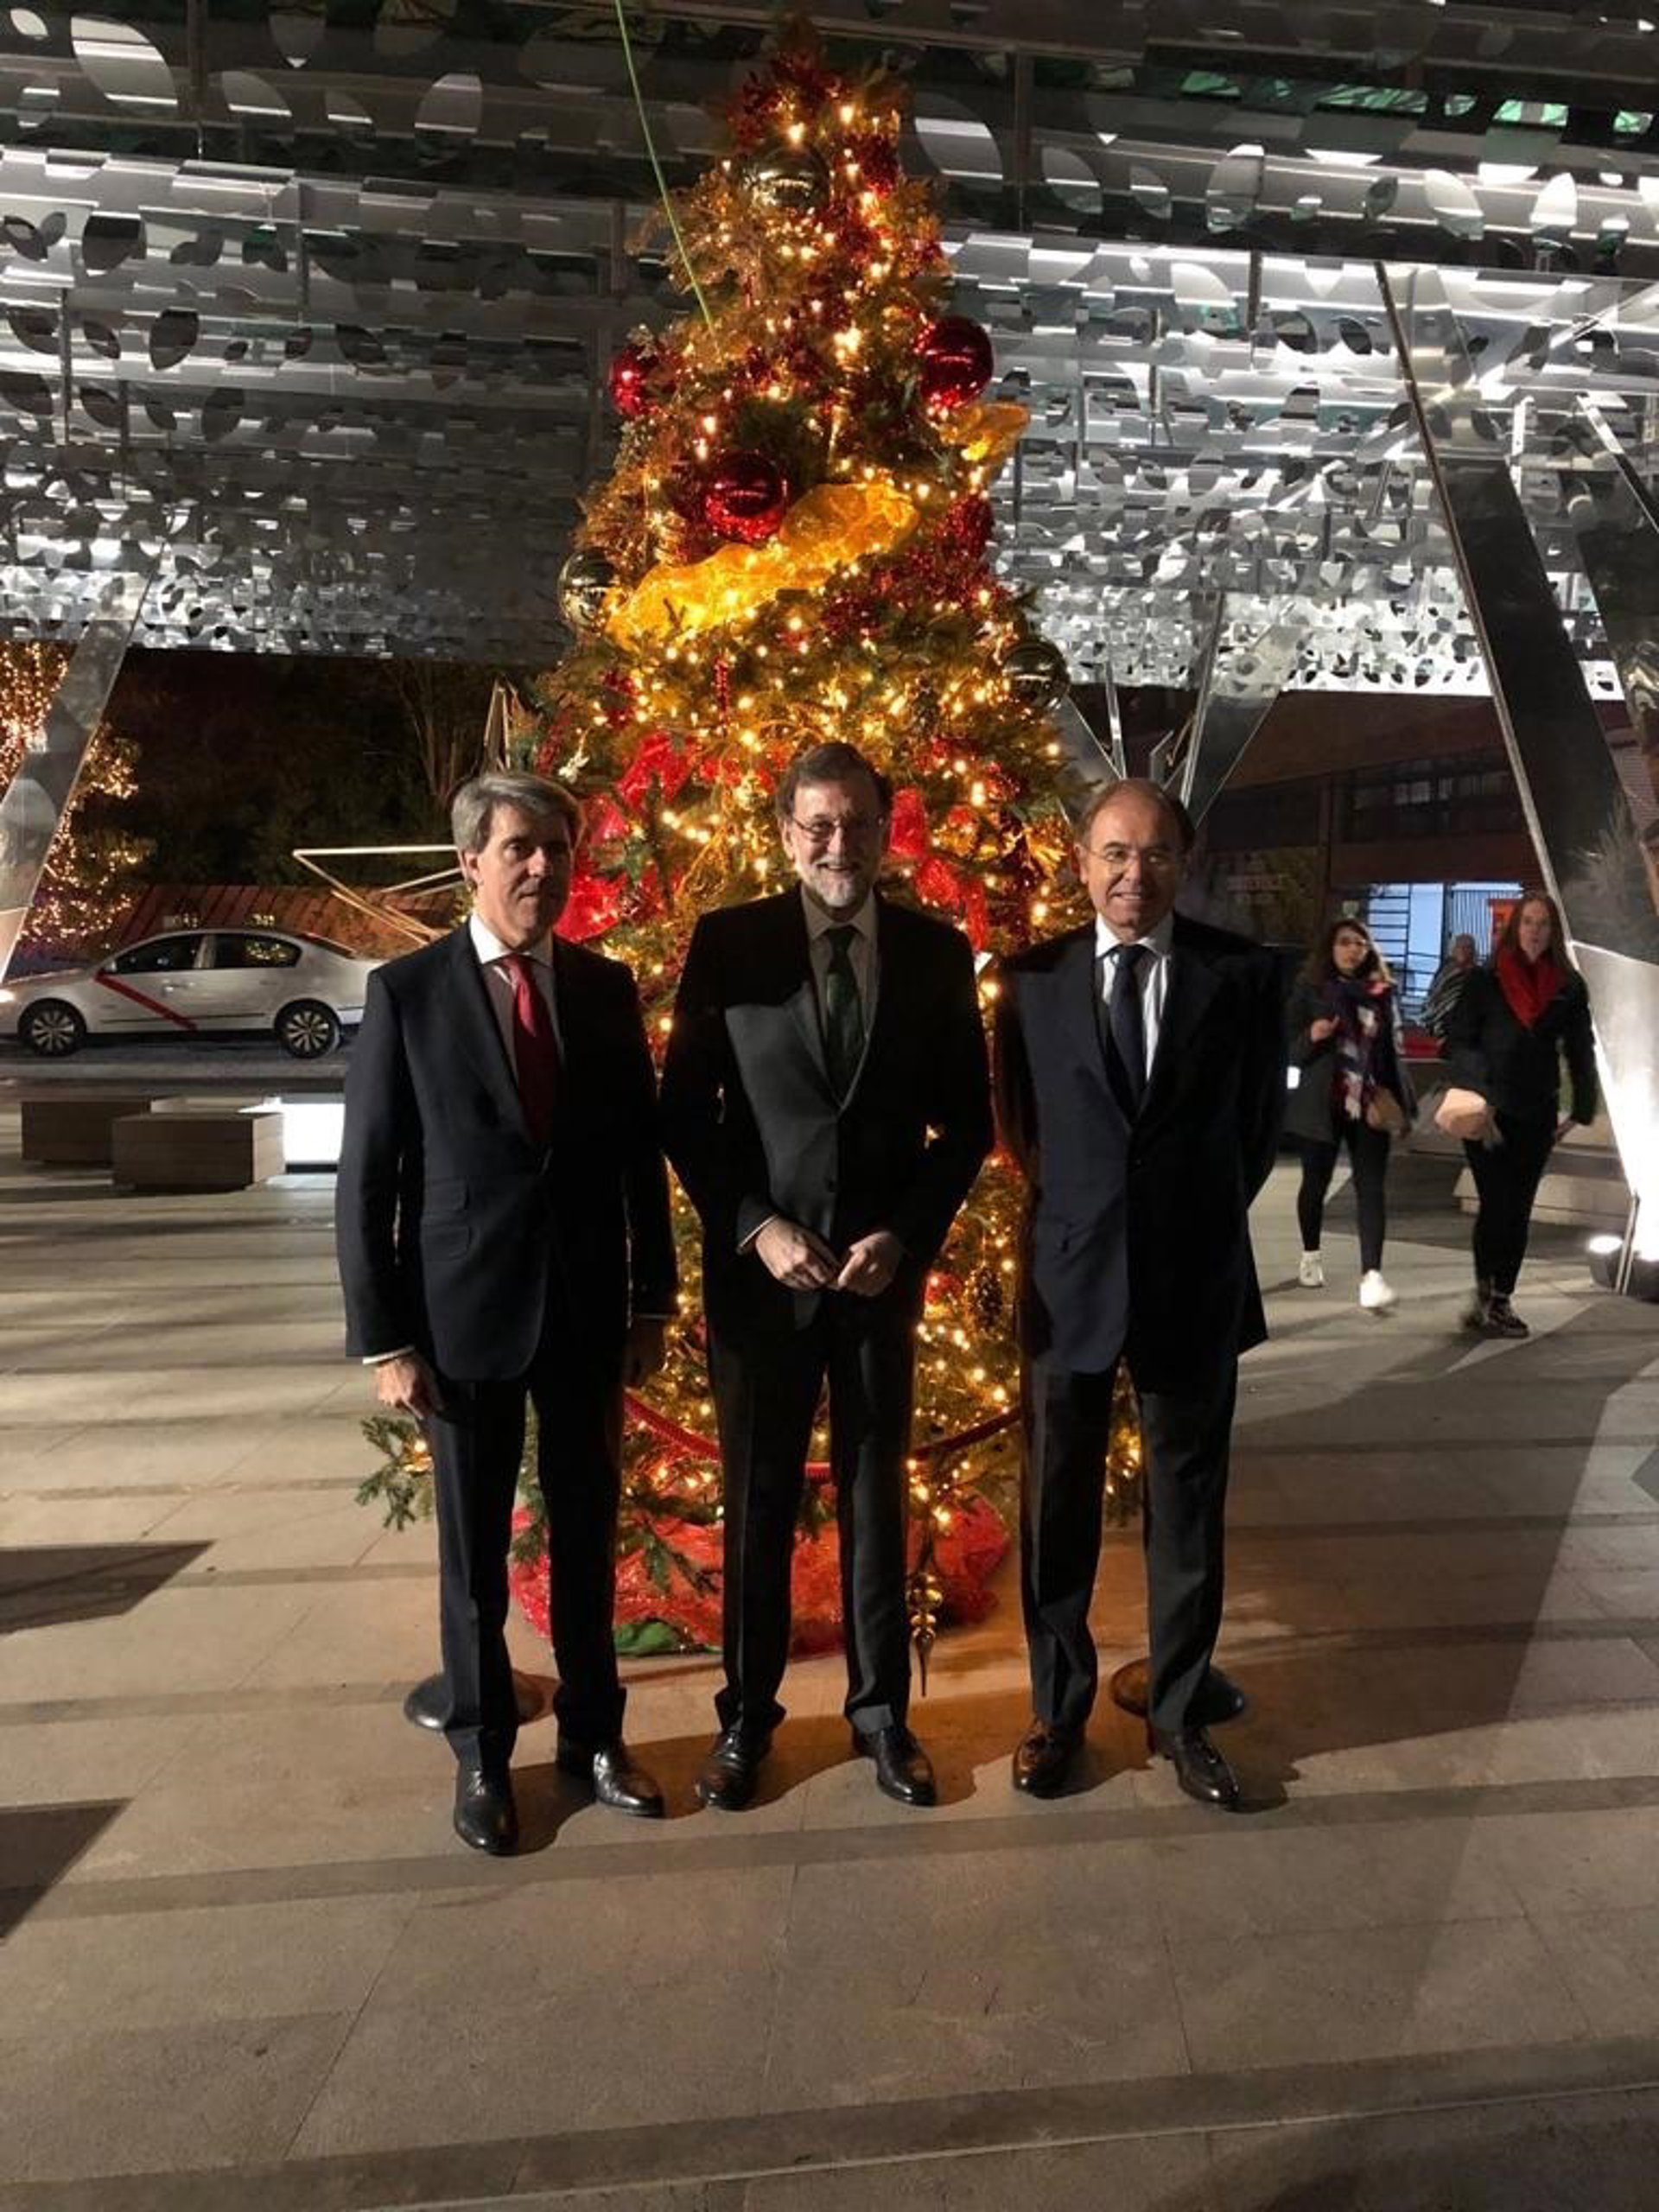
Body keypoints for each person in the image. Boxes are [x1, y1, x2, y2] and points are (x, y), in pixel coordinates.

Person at [335, 771, 677, 1855]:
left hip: (584, 1314)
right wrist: (386, 1337)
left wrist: (653, 1301)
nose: (542, 867)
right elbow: (368, 1179)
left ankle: (594, 1740)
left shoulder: (605, 988)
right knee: (475, 1559)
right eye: (521, 847)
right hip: (459, 1324)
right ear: (471, 861)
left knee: (587, 1540)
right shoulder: (410, 993)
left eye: (558, 849)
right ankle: (484, 1755)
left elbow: (639, 1162)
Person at [660, 741, 992, 1813]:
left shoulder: (937, 954)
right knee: (756, 1504)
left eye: (856, 823)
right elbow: (684, 1115)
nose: (838, 844)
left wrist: (905, 1235)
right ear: (785, 832)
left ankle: (882, 1716)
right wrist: (755, 1226)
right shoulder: (730, 944)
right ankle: (747, 1718)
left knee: (875, 1498)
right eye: (817, 824)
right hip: (763, 1289)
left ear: (888, 830)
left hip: (876, 1284)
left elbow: (967, 1126)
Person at [992, 778, 1282, 1809]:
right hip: (1067, 1281)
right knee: (1055, 1508)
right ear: (1081, 862)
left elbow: (1256, 1133)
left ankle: (1180, 1713)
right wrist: (1086, 1219)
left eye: (1156, 852)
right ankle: (1056, 1711)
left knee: (1188, 1510)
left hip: (1193, 1279)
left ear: (1183, 863)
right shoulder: (1030, 980)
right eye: (1114, 852)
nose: (1133, 873)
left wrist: (1184, 1223)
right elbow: (1020, 1126)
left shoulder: (1241, 977)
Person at [1444, 891, 1597, 1338]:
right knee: (1496, 1203)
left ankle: (1500, 1298)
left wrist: (1580, 1110)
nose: (1535, 931)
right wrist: (1482, 1089)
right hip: (1487, 1112)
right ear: (1515, 927)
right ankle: (1484, 1293)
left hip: (1536, 1111)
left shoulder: (1568, 987)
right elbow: (1457, 1041)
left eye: (1543, 924)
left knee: (1518, 1208)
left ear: (1553, 932)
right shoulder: (1485, 979)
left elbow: (1581, 1051)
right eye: (1528, 921)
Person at [1284, 917, 1414, 1312]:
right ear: (1331, 948)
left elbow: (1393, 1052)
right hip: (1322, 1104)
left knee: (1371, 1188)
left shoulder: (1382, 993)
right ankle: (1310, 1253)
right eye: (1344, 942)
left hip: (1369, 1101)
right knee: (1315, 1184)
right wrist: (1312, 1036)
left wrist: (1403, 1106)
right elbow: (1286, 1048)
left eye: (1360, 943)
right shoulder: (1309, 989)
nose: (1352, 950)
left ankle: (1371, 1276)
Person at [1421, 931, 1478, 1042]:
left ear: (1473, 951)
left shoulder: (1477, 974)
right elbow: (1435, 993)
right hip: (1444, 1019)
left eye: (1468, 947)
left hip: (1466, 1022)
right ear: (1454, 950)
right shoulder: (1445, 970)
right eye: (1460, 947)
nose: (1463, 950)